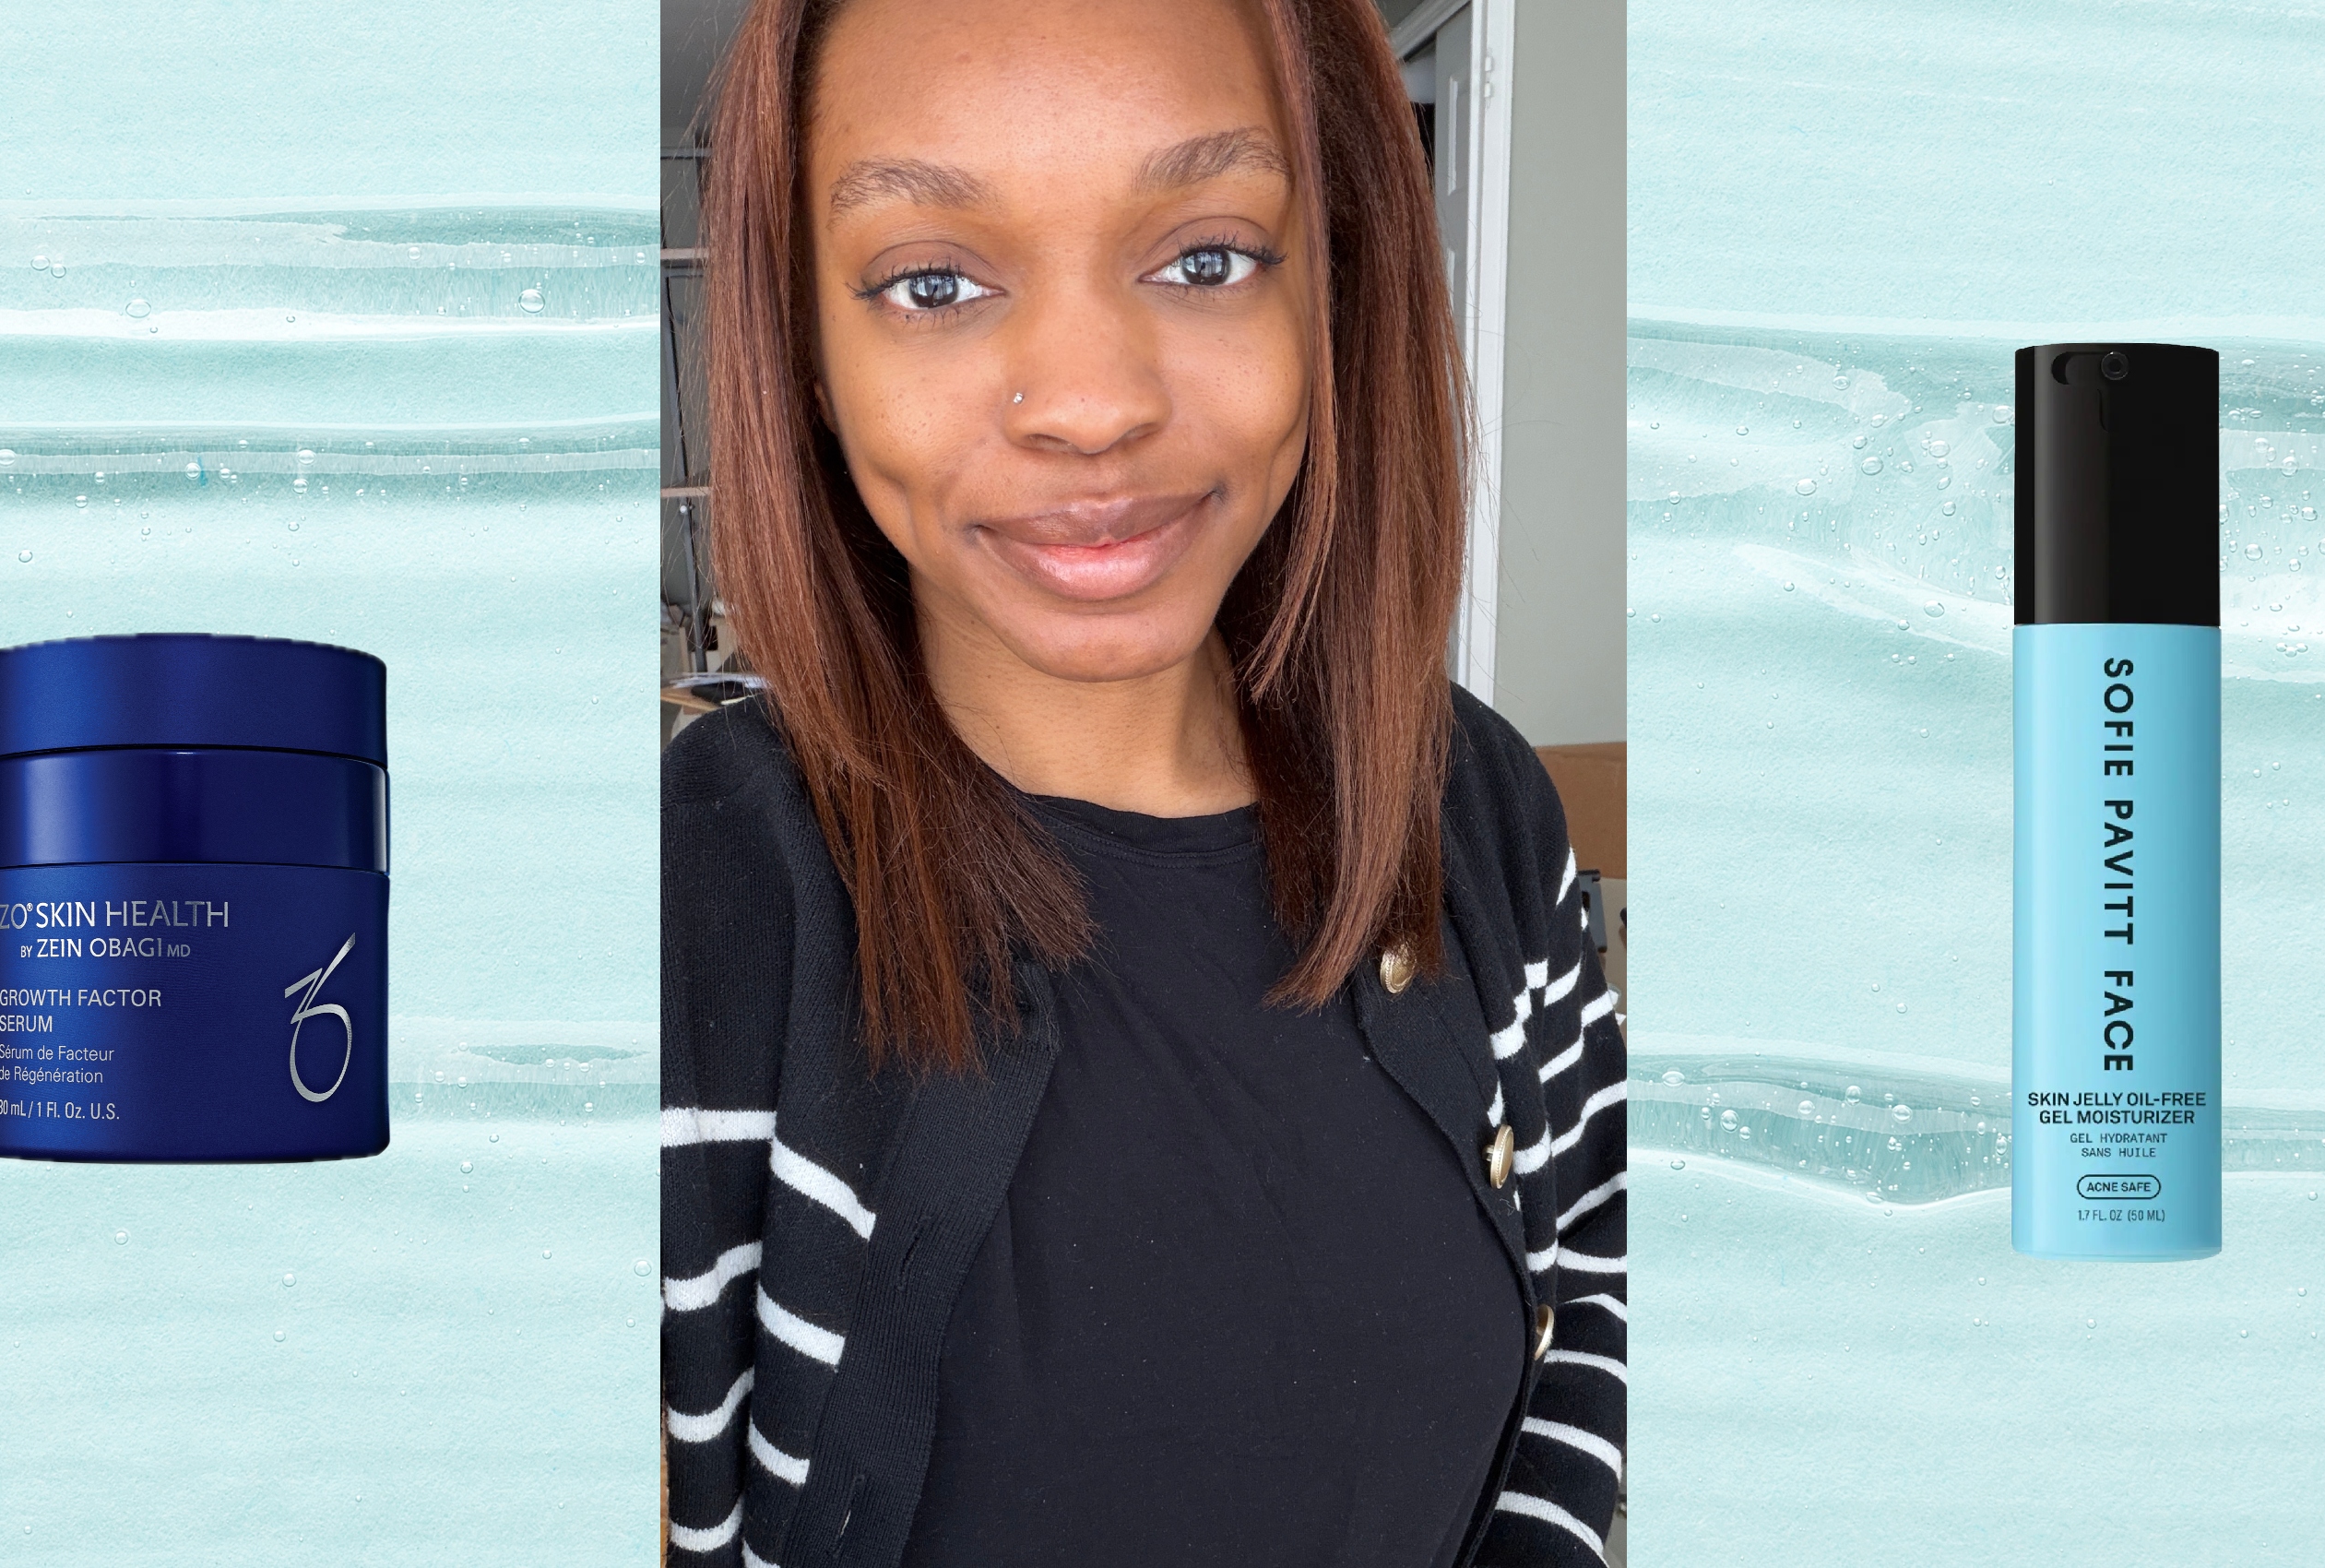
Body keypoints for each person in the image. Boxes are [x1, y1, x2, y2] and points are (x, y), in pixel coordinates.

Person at [661, 0, 1625, 1562]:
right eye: (933, 281)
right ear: (810, 362)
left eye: (1206, 258)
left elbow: (1597, 1258)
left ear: (1334, 289)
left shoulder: (1474, 811)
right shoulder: (697, 898)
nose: (1094, 402)